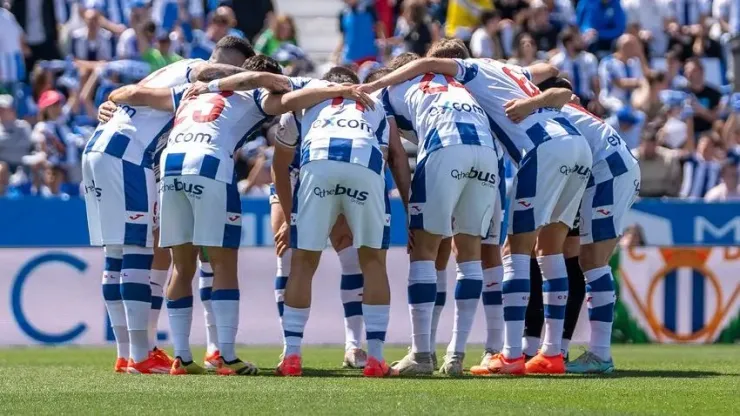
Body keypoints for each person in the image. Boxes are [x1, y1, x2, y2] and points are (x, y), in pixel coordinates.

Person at [363, 39, 591, 375]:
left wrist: (412, 209)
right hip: (490, 155)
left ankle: (424, 355)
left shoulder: (399, 88)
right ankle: (463, 354)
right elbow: (553, 73)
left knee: (427, 250)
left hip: (450, 146)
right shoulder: (480, 83)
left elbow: (395, 153)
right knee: (478, 253)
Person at [81, 36, 256, 375]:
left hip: (102, 147)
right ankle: (142, 355)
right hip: (129, 155)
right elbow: (209, 69)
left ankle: (127, 354)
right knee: (137, 250)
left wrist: (112, 97)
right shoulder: (197, 72)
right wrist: (252, 76)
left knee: (117, 253)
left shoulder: (172, 71)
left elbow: (129, 93)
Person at [268, 67, 397, 377]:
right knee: (373, 261)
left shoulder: (304, 104)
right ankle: (376, 359)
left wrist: (293, 217)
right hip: (362, 162)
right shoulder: (375, 105)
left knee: (301, 261)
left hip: (316, 165)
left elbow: (278, 164)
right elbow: (380, 157)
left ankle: (292, 355)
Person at [512, 77, 640, 373]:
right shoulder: (550, 107)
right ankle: (564, 349)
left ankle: (600, 355)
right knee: (582, 258)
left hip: (608, 170)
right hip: (606, 169)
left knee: (592, 261)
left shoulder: (543, 108)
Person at [598, 34, 648, 113]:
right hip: (612, 99)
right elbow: (619, 83)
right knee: (621, 110)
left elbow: (647, 76)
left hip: (631, 100)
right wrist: (639, 82)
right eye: (631, 46)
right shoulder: (608, 62)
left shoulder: (634, 62)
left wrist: (641, 55)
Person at [679, 133, 722, 199]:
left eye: (708, 145)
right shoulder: (691, 162)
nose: (704, 147)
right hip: (690, 201)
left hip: (711, 202)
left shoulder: (718, 167)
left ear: (713, 148)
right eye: (702, 144)